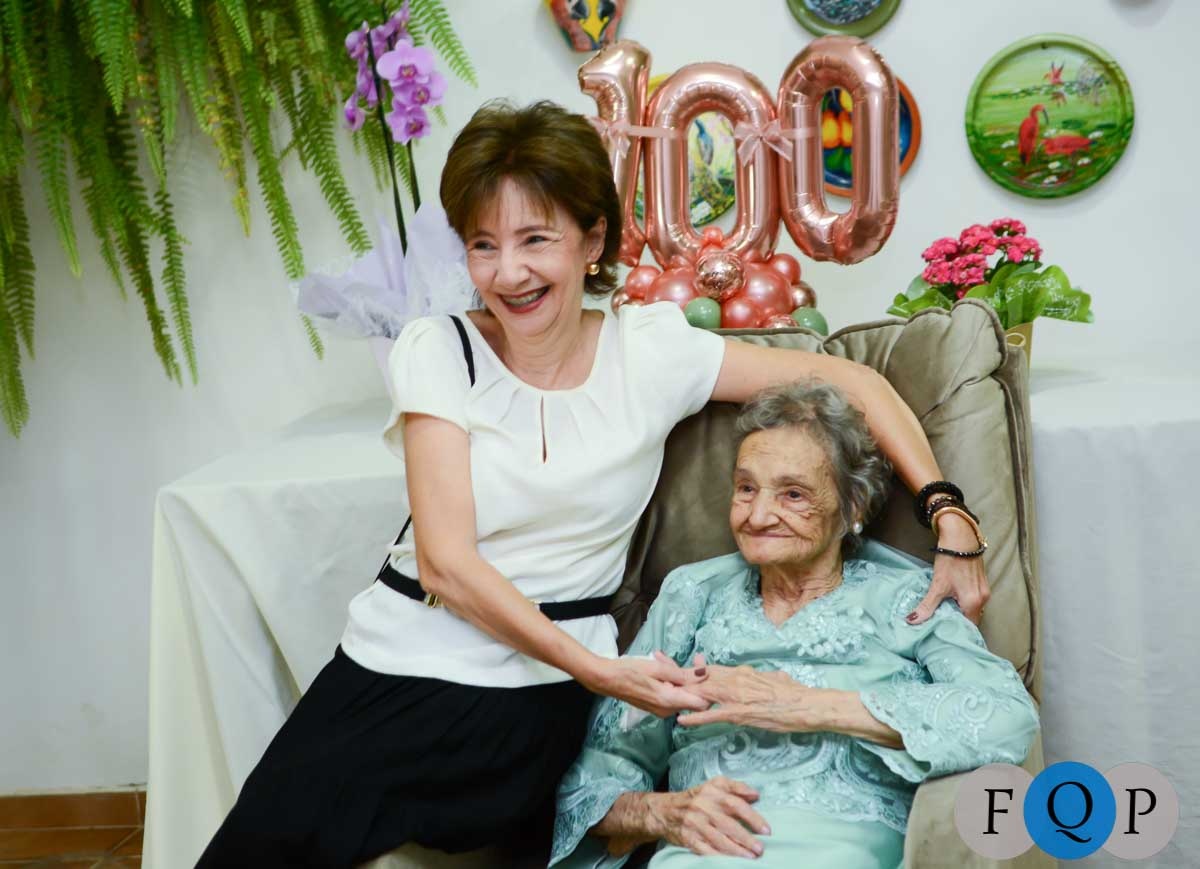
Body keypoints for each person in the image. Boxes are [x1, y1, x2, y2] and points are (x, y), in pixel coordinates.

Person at [198, 101, 991, 867]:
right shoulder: (437, 350)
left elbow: (854, 382)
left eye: (535, 239)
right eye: (482, 245)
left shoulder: (650, 353)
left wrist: (947, 512)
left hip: (538, 694)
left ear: (593, 240)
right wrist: (602, 672)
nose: (507, 272)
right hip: (398, 661)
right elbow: (444, 562)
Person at [551, 381, 1038, 868]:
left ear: (852, 507)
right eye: (746, 489)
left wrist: (807, 705)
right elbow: (598, 775)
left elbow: (1008, 718)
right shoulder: (693, 595)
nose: (758, 516)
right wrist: (662, 813)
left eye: (792, 494)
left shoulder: (907, 599)